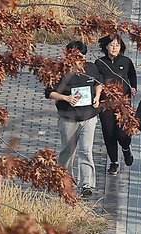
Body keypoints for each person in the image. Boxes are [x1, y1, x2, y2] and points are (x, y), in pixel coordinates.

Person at [47, 41, 102, 195]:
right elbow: (49, 92)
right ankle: (64, 181)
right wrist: (66, 98)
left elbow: (99, 83)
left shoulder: (91, 68)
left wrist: (97, 96)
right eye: (76, 56)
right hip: (68, 118)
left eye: (82, 57)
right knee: (68, 151)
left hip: (89, 117)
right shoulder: (60, 71)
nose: (80, 60)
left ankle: (87, 185)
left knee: (86, 150)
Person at [96, 35, 138, 175]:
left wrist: (133, 87)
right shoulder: (99, 63)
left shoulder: (126, 61)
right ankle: (114, 162)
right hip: (106, 104)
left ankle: (126, 149)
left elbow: (132, 75)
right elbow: (97, 81)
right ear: (106, 46)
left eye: (117, 45)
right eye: (112, 45)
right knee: (109, 133)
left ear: (121, 47)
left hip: (123, 102)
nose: (114, 48)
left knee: (122, 133)